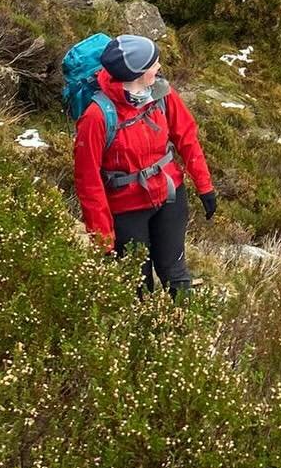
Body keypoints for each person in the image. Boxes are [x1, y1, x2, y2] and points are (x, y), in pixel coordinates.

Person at [72, 34, 217, 293]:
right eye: (154, 63)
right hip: (126, 210)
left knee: (176, 274)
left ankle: (183, 329)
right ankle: (146, 330)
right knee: (137, 285)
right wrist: (103, 240)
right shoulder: (96, 117)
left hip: (170, 196)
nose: (159, 67)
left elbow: (187, 137)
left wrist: (204, 186)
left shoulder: (161, 93)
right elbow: (89, 183)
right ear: (137, 73)